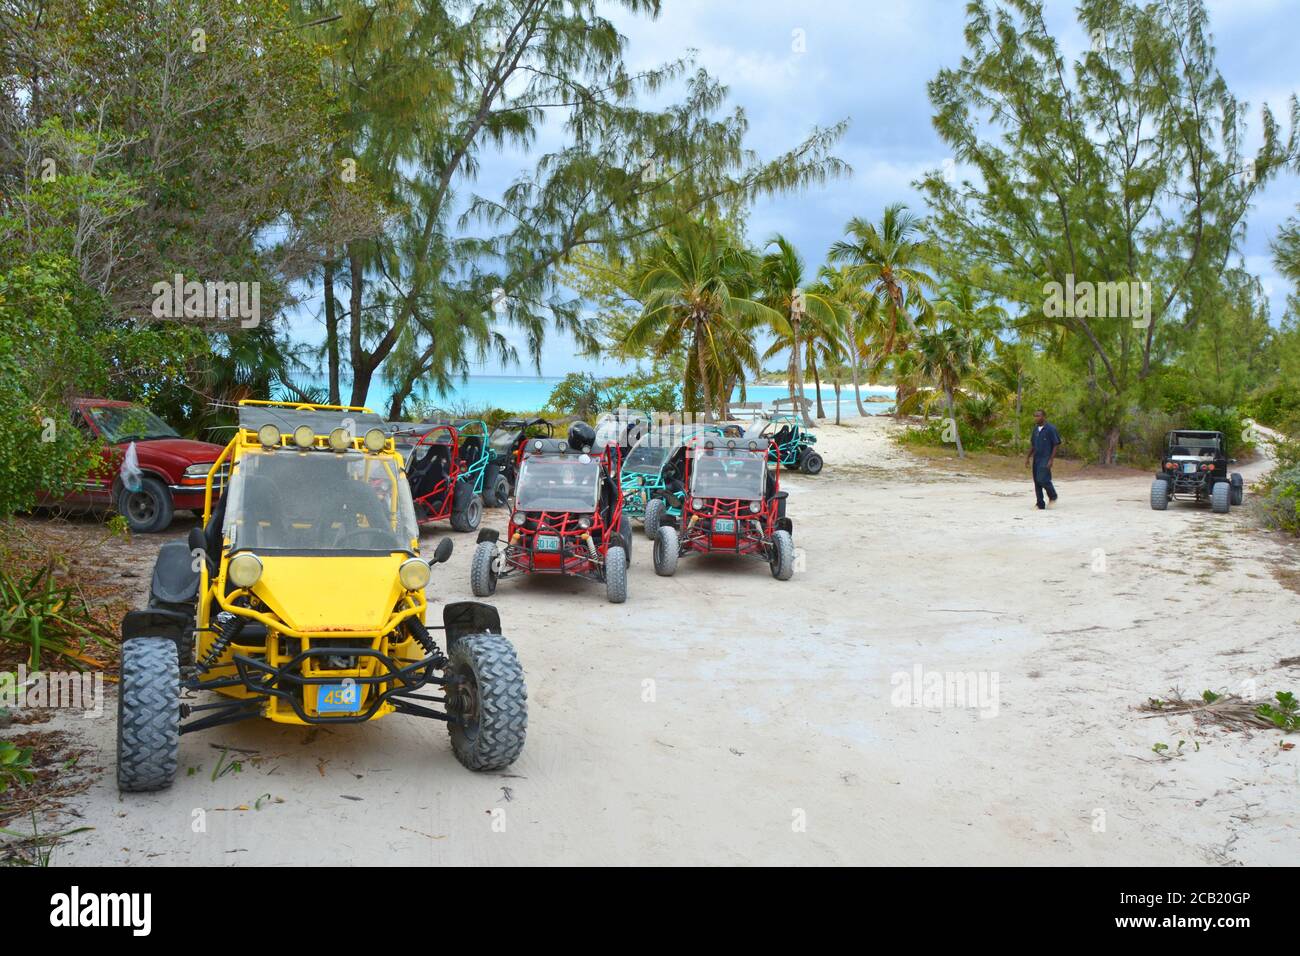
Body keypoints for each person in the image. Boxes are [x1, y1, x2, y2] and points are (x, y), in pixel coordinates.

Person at [1024, 409, 1060, 510]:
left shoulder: (1050, 429)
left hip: (1046, 458)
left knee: (1043, 479)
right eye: (1035, 416)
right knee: (1036, 481)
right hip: (1037, 458)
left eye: (1038, 416)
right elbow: (1033, 445)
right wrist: (1027, 457)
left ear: (1044, 416)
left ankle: (1053, 496)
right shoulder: (1035, 430)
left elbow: (1056, 444)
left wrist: (1051, 459)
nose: (1036, 418)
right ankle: (1040, 503)